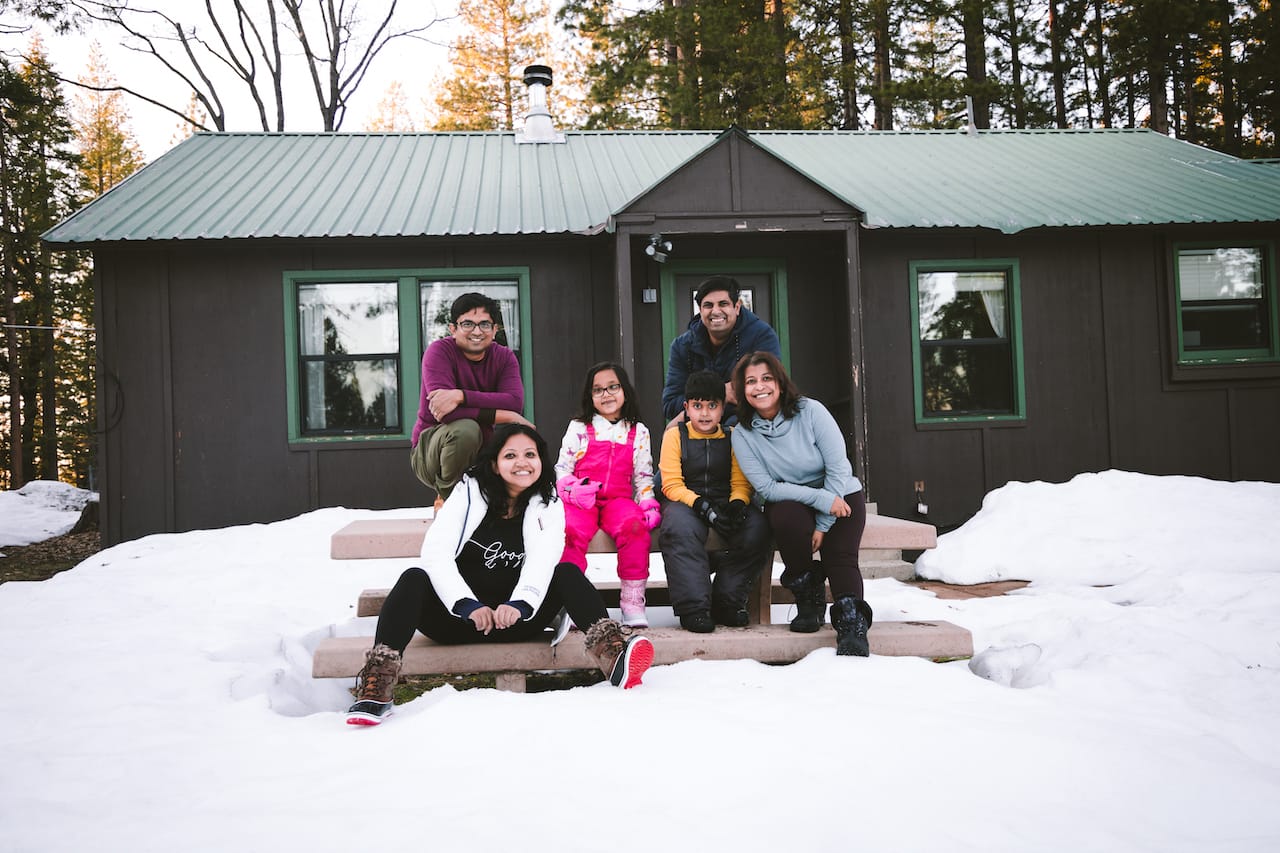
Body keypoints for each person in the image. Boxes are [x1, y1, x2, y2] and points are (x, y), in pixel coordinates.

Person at [347, 423, 654, 725]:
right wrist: (466, 604)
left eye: (530, 455)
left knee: (566, 572)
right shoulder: (467, 494)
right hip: (456, 619)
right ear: (494, 464)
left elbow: (545, 559)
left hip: (518, 619)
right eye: (511, 456)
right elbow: (435, 553)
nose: (522, 463)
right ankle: (378, 683)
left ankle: (612, 656)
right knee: (414, 577)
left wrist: (520, 605)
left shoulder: (548, 501)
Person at [729, 351, 874, 656]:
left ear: (780, 383)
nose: (760, 387)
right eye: (751, 381)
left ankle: (851, 624)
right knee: (785, 519)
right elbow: (767, 487)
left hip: (841, 492)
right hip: (792, 498)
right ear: (742, 390)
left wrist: (823, 522)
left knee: (840, 555)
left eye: (767, 378)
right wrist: (822, 501)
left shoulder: (811, 411)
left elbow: (838, 469)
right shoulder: (742, 433)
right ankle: (808, 597)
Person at [658, 370, 771, 633]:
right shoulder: (675, 435)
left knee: (758, 529)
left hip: (724, 498)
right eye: (697, 406)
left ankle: (727, 600)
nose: (705, 413)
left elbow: (740, 481)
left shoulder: (733, 436)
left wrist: (738, 503)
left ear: (723, 408)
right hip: (686, 500)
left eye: (712, 406)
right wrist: (701, 507)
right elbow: (671, 483)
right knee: (678, 529)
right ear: (686, 408)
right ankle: (694, 608)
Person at [554, 362, 660, 628]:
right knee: (570, 532)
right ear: (590, 396)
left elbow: (643, 475)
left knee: (635, 528)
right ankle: (572, 602)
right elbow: (562, 469)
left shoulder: (638, 431)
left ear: (625, 391)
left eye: (613, 387)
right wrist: (573, 489)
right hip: (582, 500)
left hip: (618, 500)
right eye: (598, 390)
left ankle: (632, 601)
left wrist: (647, 501)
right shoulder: (580, 427)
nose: (606, 394)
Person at [410, 292, 529, 505]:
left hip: (482, 448)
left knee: (523, 438)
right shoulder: (438, 352)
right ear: (453, 329)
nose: (477, 331)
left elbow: (514, 402)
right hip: (432, 451)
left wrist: (460, 395)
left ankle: (515, 505)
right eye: (467, 324)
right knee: (465, 429)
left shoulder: (504, 357)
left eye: (484, 324)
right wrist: (508, 416)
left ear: (495, 330)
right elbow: (446, 413)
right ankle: (450, 500)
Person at [662, 275, 781, 425]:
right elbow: (670, 405)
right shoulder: (682, 346)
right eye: (708, 305)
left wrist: (698, 398)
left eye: (723, 304)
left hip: (750, 427)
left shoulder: (762, 336)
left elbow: (767, 391)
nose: (716, 311)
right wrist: (720, 392)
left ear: (737, 307)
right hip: (699, 432)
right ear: (700, 310)